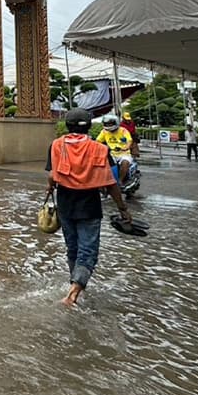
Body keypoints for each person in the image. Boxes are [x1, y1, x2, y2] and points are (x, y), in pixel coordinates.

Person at [48, 108, 132, 306]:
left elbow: (52, 175)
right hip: (90, 207)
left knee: (73, 249)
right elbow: (111, 183)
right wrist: (122, 208)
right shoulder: (100, 149)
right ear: (89, 127)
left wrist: (49, 188)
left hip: (65, 205)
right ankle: (74, 293)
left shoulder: (56, 145)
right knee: (88, 251)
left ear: (67, 125)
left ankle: (74, 284)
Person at [97, 114, 134, 187]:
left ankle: (120, 180)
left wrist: (126, 147)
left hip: (124, 153)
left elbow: (129, 141)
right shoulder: (104, 131)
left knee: (125, 162)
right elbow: (98, 141)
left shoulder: (123, 130)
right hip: (111, 154)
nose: (108, 125)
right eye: (106, 124)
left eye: (110, 124)